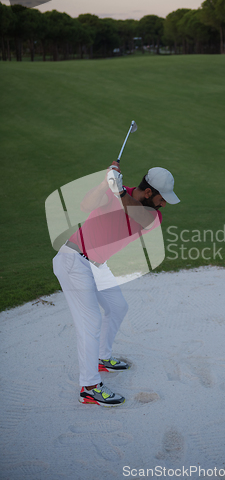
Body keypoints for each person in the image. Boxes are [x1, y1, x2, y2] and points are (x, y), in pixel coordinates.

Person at [53, 162, 180, 407]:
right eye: (162, 198)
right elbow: (85, 206)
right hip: (73, 260)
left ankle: (102, 358)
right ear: (148, 192)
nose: (164, 204)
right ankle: (89, 387)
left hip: (96, 265)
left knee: (118, 307)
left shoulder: (153, 215)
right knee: (90, 322)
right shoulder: (114, 192)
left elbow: (136, 214)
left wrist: (119, 192)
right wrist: (104, 183)